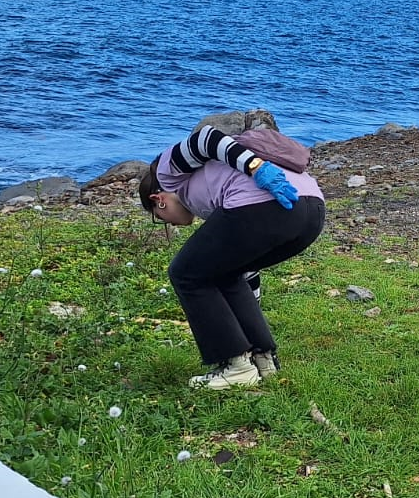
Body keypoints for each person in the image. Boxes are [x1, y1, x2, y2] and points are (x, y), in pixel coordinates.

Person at [137, 124, 325, 389]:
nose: (171, 225)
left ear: (159, 200)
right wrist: (251, 332)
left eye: (161, 220)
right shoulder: (211, 189)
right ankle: (263, 361)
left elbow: (207, 137)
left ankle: (235, 366)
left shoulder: (168, 172)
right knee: (226, 272)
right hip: (311, 211)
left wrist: (255, 167)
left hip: (268, 203)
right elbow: (244, 273)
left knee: (185, 273)